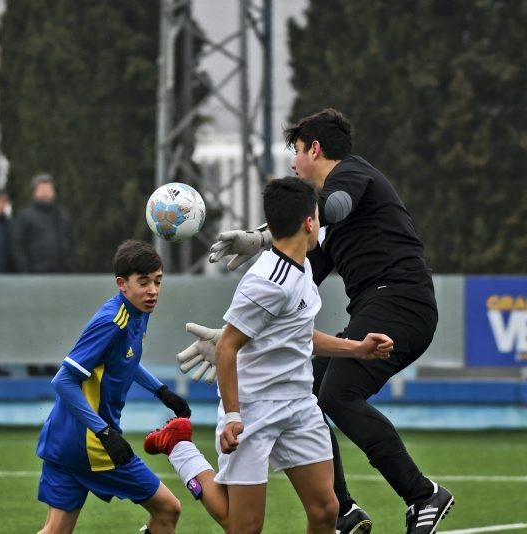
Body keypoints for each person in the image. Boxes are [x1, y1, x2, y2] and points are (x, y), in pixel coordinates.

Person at [180, 109, 454, 534]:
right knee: (312, 385)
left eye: (296, 151)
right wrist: (233, 335)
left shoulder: (351, 176)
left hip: (400, 301)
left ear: (315, 148)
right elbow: (294, 279)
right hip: (379, 305)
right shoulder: (319, 226)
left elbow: (334, 208)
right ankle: (341, 509)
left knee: (339, 393)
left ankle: (422, 495)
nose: (293, 163)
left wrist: (260, 235)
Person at [145, 177, 394, 534]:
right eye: (318, 218)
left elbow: (298, 335)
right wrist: (232, 414)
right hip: (254, 408)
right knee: (242, 526)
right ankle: (181, 450)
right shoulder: (268, 281)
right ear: (309, 222)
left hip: (299, 405)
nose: (321, 225)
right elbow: (227, 346)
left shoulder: (303, 266)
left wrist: (357, 349)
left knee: (326, 511)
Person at [35, 239, 191, 534]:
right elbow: (64, 380)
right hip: (91, 444)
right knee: (168, 509)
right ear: (122, 283)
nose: (153, 291)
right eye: (143, 282)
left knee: (55, 531)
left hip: (62, 437)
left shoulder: (138, 312)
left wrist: (161, 391)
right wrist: (104, 432)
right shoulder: (112, 322)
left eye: (158, 281)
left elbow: (123, 360)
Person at [11, 173, 75, 273]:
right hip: (35, 276)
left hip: (61, 276)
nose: (45, 193)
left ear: (54, 192)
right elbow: (17, 248)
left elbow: (71, 245)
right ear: (34, 193)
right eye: (41, 189)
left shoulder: (63, 217)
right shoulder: (24, 217)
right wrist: (25, 272)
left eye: (48, 189)